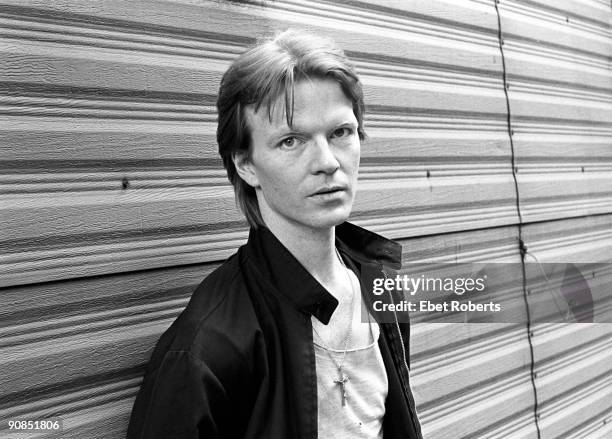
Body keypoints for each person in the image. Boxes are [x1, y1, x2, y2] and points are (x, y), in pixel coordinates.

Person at [126, 29, 423, 439]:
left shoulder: (379, 282)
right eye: (291, 141)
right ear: (246, 164)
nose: (327, 162)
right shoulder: (207, 348)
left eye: (340, 133)